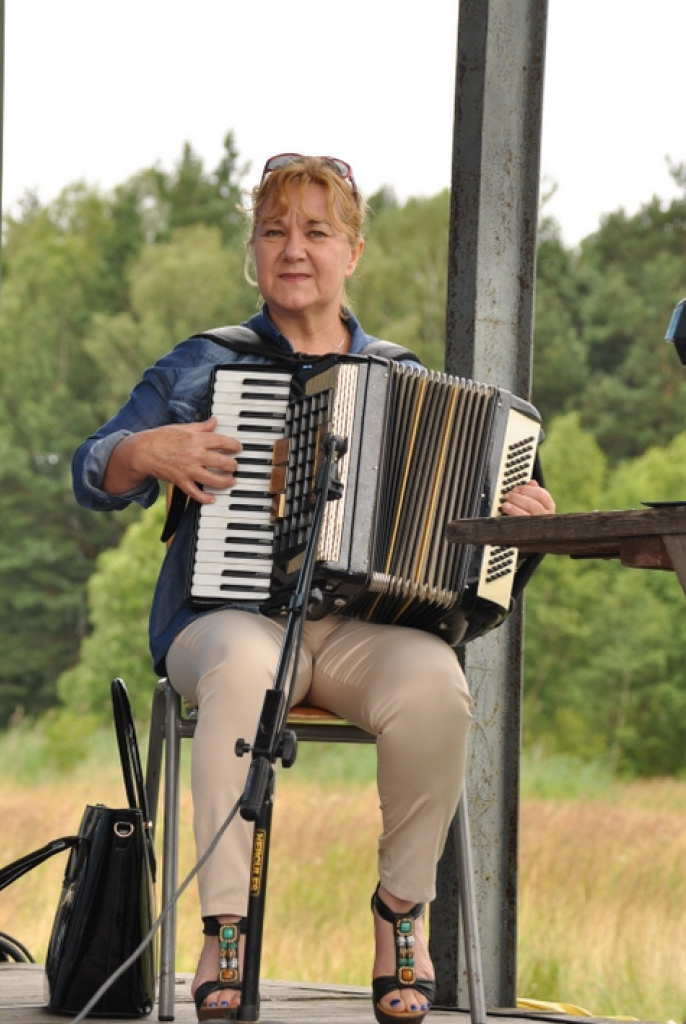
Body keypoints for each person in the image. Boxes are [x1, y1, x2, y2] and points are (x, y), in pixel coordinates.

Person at [73, 154, 555, 1024]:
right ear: (254, 254)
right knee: (243, 673)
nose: (293, 248)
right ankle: (226, 932)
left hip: (357, 629)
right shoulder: (203, 365)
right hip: (229, 618)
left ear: (353, 252)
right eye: (274, 230)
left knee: (436, 687)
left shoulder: (402, 379)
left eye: (316, 231)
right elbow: (91, 467)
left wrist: (517, 521)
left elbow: (472, 562)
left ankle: (401, 919)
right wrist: (147, 452)